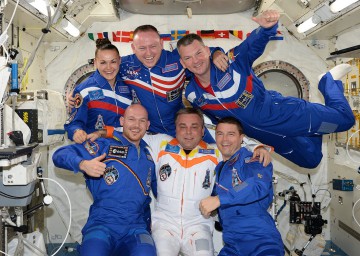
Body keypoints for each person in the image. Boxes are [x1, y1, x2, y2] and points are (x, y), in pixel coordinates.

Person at [176, 10, 355, 168]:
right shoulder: (193, 95)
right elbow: (218, 122)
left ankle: (327, 81)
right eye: (188, 58)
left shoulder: (231, 63)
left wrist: (267, 29)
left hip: (288, 114)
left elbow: (251, 46)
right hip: (268, 136)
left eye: (199, 53)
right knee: (311, 161)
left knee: (346, 120)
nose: (196, 61)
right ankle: (315, 129)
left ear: (207, 51)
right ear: (183, 63)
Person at [145, 108, 272, 256]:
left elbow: (235, 145)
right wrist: (109, 130)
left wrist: (258, 147)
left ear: (203, 130)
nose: (188, 132)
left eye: (194, 127)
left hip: (198, 225)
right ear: (175, 128)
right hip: (165, 225)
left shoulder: (215, 152)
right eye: (182, 126)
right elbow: (133, 131)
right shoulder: (161, 143)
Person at [53, 104, 157, 256]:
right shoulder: (104, 145)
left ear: (147, 125)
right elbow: (59, 155)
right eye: (131, 119)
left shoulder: (149, 157)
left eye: (142, 121)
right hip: (102, 225)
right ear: (122, 121)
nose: (136, 125)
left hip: (135, 228)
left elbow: (151, 196)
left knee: (147, 253)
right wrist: (83, 164)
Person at [120, 24, 227, 139]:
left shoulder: (177, 59)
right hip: (148, 132)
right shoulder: (124, 65)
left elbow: (202, 52)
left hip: (181, 127)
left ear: (161, 43)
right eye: (142, 48)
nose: (148, 53)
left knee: (213, 151)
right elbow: (102, 69)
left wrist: (217, 53)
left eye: (153, 46)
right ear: (133, 47)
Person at [199, 116, 284, 256]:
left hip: (260, 242)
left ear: (241, 138)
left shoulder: (254, 159)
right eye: (220, 134)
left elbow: (257, 185)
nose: (224, 139)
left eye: (231, 134)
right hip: (233, 245)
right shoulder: (220, 168)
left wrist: (219, 200)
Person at [64, 38, 133, 143]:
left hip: (123, 145)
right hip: (96, 147)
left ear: (119, 60)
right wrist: (76, 131)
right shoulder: (84, 90)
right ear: (95, 62)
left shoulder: (129, 86)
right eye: (103, 62)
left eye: (113, 62)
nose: (109, 67)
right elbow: (74, 122)